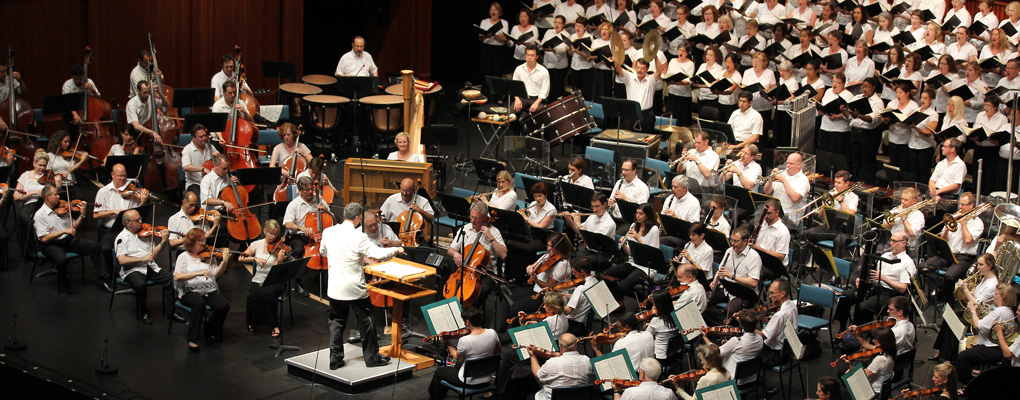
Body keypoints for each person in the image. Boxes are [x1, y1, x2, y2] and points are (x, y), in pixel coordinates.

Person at [321, 203, 402, 369]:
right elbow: (378, 253)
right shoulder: (358, 237)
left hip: (335, 288)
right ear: (358, 218)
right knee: (367, 322)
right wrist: (396, 249)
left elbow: (323, 251)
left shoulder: (328, 231)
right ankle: (372, 358)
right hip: (354, 288)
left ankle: (335, 360)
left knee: (336, 322)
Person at [837, 231, 916, 327]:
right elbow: (874, 276)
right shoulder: (885, 256)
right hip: (876, 287)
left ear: (904, 243)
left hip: (891, 294)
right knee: (845, 296)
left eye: (895, 241)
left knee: (864, 307)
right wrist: (862, 281)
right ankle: (842, 329)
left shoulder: (908, 262)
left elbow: (902, 288)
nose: (891, 243)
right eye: (891, 240)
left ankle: (864, 334)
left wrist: (883, 278)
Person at [34, 184, 101, 293]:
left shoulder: (63, 209)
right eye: (55, 194)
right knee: (62, 260)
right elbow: (44, 238)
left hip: (67, 241)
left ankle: (102, 278)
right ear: (47, 196)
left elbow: (73, 227)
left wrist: (82, 215)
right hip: (50, 245)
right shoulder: (40, 215)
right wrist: (64, 231)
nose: (59, 197)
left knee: (95, 246)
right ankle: (64, 284)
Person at [497, 235, 571, 332]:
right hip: (536, 291)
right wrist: (530, 269)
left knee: (516, 308)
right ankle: (498, 333)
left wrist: (536, 279)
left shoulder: (562, 264)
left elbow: (548, 286)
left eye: (552, 247)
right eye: (548, 245)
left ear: (560, 247)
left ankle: (518, 335)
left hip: (548, 297)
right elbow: (530, 266)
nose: (549, 249)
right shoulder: (547, 256)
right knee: (505, 300)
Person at [174, 228, 231, 352]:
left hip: (208, 289)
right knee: (198, 304)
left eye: (204, 240)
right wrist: (198, 273)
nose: (204, 243)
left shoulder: (209, 255)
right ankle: (192, 338)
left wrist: (225, 261)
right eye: (201, 240)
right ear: (192, 242)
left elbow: (216, 274)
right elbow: (177, 276)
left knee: (224, 305)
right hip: (189, 290)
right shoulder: (183, 257)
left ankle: (212, 329)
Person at [932, 254, 997, 361]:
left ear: (989, 266)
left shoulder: (992, 285)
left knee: (955, 322)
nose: (978, 267)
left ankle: (948, 357)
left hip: (980, 316)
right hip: (973, 312)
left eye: (981, 265)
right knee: (949, 317)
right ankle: (939, 350)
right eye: (977, 264)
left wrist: (965, 289)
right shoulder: (984, 279)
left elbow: (976, 304)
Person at [93, 163, 148, 289]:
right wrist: (113, 212)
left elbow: (138, 213)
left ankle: (138, 275)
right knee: (105, 248)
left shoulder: (132, 190)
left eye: (124, 176)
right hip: (112, 229)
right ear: (112, 175)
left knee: (146, 241)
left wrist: (143, 201)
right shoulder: (104, 191)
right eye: (119, 176)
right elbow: (96, 215)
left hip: (131, 229)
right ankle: (106, 277)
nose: (123, 179)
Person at [427, 305, 500, 400]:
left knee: (440, 372)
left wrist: (447, 342)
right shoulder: (492, 333)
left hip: (468, 382)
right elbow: (498, 350)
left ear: (467, 322)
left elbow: (459, 359)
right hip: (486, 379)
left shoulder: (464, 340)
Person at [115, 210, 172, 324]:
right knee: (140, 285)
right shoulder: (121, 238)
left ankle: (172, 310)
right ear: (128, 223)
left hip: (148, 266)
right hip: (132, 269)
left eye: (140, 219)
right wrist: (142, 259)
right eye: (137, 221)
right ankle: (144, 311)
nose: (141, 222)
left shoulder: (145, 234)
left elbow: (154, 253)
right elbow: (121, 260)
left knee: (169, 278)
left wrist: (163, 242)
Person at [447, 201, 508, 309]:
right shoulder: (465, 229)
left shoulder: (494, 232)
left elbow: (503, 255)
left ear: (485, 218)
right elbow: (451, 250)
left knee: (482, 289)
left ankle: (471, 315)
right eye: (471, 217)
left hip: (485, 272)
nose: (473, 221)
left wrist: (491, 238)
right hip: (465, 267)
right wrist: (456, 254)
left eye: (477, 218)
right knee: (444, 271)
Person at [237, 220, 289, 338]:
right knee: (253, 294)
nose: (273, 237)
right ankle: (253, 322)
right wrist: (255, 259)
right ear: (264, 231)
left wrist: (279, 260)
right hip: (259, 277)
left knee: (269, 294)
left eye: (275, 234)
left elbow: (277, 270)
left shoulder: (279, 247)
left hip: (275, 278)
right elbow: (240, 258)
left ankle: (273, 325)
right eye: (270, 233)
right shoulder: (257, 244)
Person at [283, 176, 334, 294]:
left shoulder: (320, 201)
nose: (311, 192)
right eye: (307, 190)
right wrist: (301, 228)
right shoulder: (294, 205)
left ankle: (329, 279)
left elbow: (333, 221)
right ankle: (298, 283)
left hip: (319, 235)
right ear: (300, 190)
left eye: (312, 189)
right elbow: (287, 224)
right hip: (300, 235)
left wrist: (326, 211)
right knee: (298, 250)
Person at [604, 203, 661, 296]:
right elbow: (630, 253)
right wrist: (623, 245)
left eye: (641, 214)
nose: (637, 216)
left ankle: (642, 299)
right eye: (637, 213)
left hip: (646, 267)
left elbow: (651, 254)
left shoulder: (653, 229)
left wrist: (638, 238)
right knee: (607, 274)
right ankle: (619, 300)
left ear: (647, 216)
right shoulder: (634, 225)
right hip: (633, 262)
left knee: (622, 287)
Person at [708, 227, 761, 324]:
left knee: (729, 311)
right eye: (732, 240)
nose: (733, 243)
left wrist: (732, 276)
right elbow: (720, 270)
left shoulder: (754, 257)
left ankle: (728, 331)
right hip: (727, 289)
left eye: (736, 241)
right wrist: (715, 281)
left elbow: (753, 283)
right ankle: (718, 325)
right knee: (704, 300)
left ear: (745, 241)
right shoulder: (729, 251)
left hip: (743, 294)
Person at [848, 296, 916, 356]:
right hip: (902, 358)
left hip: (889, 361)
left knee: (850, 343)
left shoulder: (894, 332)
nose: (888, 311)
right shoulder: (911, 325)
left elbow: (875, 349)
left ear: (900, 312)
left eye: (891, 309)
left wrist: (857, 336)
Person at [803, 170, 859, 242]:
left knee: (838, 241)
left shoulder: (853, 197)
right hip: (831, 228)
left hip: (845, 231)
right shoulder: (831, 194)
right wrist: (824, 207)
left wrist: (841, 201)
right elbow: (820, 217)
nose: (835, 185)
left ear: (847, 183)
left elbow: (851, 214)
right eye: (835, 182)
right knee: (806, 234)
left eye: (839, 183)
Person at [709, 310, 763, 384]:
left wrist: (705, 337)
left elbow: (716, 352)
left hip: (735, 380)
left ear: (742, 326)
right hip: (751, 377)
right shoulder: (760, 339)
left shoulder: (736, 341)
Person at [531, 333, 591, 400]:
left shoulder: (552, 363)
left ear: (560, 347)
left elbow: (537, 375)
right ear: (576, 345)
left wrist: (532, 356)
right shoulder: (586, 361)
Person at [838, 326, 896, 393]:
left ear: (883, 341)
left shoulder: (880, 360)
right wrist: (856, 336)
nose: (873, 340)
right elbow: (870, 346)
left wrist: (849, 365)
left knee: (842, 375)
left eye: (875, 339)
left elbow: (862, 377)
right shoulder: (890, 352)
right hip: (881, 388)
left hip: (872, 391)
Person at [615, 57, 665, 132]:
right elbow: (618, 69)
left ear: (647, 69)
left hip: (646, 115)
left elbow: (659, 72)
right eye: (638, 67)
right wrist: (617, 55)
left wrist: (655, 57)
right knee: (629, 138)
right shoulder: (629, 77)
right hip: (631, 114)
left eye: (642, 68)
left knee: (645, 139)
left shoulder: (651, 79)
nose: (639, 70)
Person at [758, 280, 798, 368]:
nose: (769, 296)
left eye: (772, 293)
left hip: (774, 355)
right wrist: (762, 317)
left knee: (747, 355)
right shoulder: (792, 305)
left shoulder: (779, 315)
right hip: (787, 352)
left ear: (782, 293)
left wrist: (747, 327)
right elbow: (777, 327)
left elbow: (763, 336)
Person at [15, 151, 57, 228]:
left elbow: (56, 194)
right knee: (25, 218)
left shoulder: (49, 177)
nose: (42, 168)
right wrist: (33, 192)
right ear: (34, 163)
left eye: (45, 166)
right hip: (30, 204)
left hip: (46, 205)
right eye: (40, 165)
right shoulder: (25, 175)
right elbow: (16, 197)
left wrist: (58, 185)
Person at [763, 152, 810, 222]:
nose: (788, 166)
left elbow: (795, 198)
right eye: (787, 163)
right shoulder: (781, 173)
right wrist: (770, 179)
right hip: (775, 212)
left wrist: (784, 181)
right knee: (754, 224)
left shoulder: (803, 180)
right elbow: (766, 192)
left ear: (799, 165)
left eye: (791, 164)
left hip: (790, 216)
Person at [753, 200, 791, 278]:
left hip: (774, 267)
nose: (766, 216)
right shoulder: (763, 224)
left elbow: (781, 256)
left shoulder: (783, 232)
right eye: (765, 213)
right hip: (760, 259)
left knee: (751, 269)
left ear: (777, 213)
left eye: (769, 213)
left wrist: (760, 249)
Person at [564, 258, 600, 336]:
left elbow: (568, 310)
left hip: (574, 325)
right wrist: (569, 296)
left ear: (582, 272)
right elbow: (585, 298)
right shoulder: (595, 281)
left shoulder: (580, 289)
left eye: (574, 272)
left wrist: (554, 305)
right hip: (584, 324)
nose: (573, 274)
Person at [180, 123, 219, 195]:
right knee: (202, 195)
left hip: (211, 182)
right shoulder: (187, 149)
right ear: (194, 138)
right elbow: (185, 167)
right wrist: (202, 169)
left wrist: (218, 156)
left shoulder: (210, 146)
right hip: (195, 183)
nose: (204, 138)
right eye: (201, 137)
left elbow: (219, 160)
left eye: (205, 135)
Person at [513, 45, 550, 115]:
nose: (529, 57)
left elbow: (545, 91)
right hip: (522, 98)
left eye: (532, 55)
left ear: (537, 57)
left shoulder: (543, 71)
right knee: (511, 115)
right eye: (527, 55)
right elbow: (514, 87)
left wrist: (536, 103)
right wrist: (517, 99)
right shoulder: (519, 69)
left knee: (540, 115)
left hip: (536, 99)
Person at [478, 2, 510, 80]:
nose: (493, 11)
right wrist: (485, 36)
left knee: (497, 72)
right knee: (486, 71)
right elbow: (480, 37)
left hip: (498, 50)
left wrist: (493, 35)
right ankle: (486, 91)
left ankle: (496, 91)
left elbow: (504, 38)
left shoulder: (504, 22)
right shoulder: (484, 22)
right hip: (486, 48)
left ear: (499, 12)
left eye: (496, 10)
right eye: (492, 9)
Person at [542, 16, 570, 101]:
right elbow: (543, 42)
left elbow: (564, 48)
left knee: (557, 86)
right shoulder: (549, 32)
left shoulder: (566, 34)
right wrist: (541, 45)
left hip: (559, 65)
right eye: (555, 22)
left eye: (559, 22)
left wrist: (553, 49)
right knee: (548, 85)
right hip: (548, 63)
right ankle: (549, 102)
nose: (556, 24)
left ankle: (557, 104)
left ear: (563, 24)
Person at [645, 291, 678, 361]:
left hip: (661, 357)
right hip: (675, 353)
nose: (653, 306)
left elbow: (646, 337)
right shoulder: (676, 316)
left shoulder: (656, 321)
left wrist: (646, 327)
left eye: (655, 304)